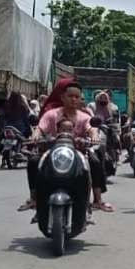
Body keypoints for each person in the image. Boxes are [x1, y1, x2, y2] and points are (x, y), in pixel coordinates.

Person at [18, 78, 113, 213]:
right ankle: (34, 199)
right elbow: (40, 128)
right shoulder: (51, 114)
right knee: (33, 162)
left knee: (95, 162)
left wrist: (94, 137)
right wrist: (35, 136)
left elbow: (91, 129)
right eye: (70, 96)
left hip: (78, 152)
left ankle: (98, 200)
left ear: (80, 99)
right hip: (53, 151)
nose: (73, 99)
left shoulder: (84, 117)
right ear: (62, 97)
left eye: (76, 97)